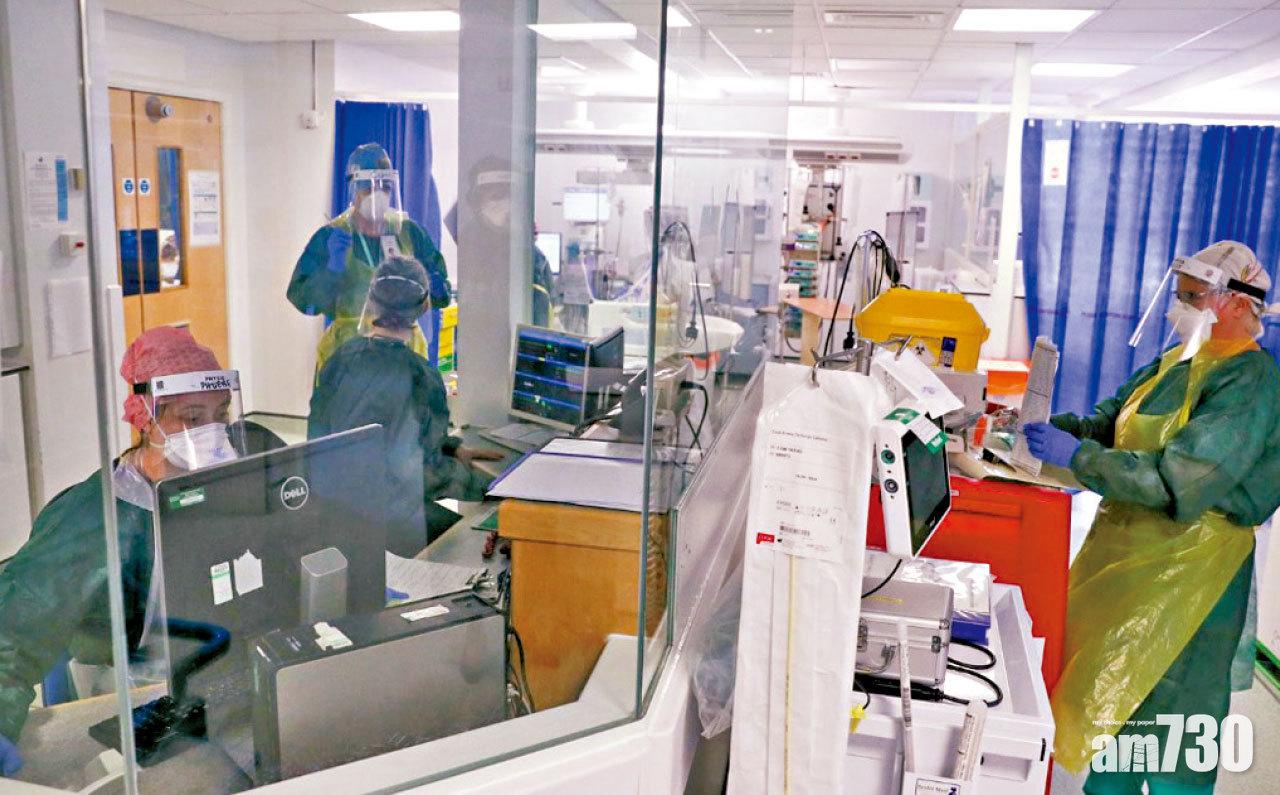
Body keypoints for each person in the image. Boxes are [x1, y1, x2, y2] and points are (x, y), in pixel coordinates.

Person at [1025, 241, 1280, 794]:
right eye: (1179, 296)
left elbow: (1179, 479)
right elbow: (1112, 420)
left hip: (1194, 572)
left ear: (1239, 304)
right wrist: (1051, 430)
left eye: (1193, 298)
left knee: (1173, 716)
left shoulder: (1251, 383)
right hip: (1131, 553)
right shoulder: (1179, 360)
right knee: (1122, 701)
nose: (1178, 309)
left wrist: (1081, 458)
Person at [0, 327, 282, 778]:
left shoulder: (236, 477)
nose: (213, 433)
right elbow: (14, 630)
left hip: (225, 672)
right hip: (134, 695)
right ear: (146, 418)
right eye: (191, 417)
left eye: (221, 414)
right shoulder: (95, 518)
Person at [308, 255, 499, 557]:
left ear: (371, 302)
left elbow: (323, 439)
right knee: (474, 541)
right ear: (425, 307)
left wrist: (452, 447)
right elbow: (427, 473)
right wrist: (491, 486)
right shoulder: (423, 376)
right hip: (393, 522)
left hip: (334, 514)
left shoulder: (338, 360)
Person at [288, 142, 452, 375]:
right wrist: (331, 270)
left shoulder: (409, 233)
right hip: (349, 359)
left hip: (404, 353)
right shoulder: (333, 237)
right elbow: (304, 301)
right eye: (370, 189)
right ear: (354, 190)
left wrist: (432, 287)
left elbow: (441, 294)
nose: (379, 195)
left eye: (385, 188)